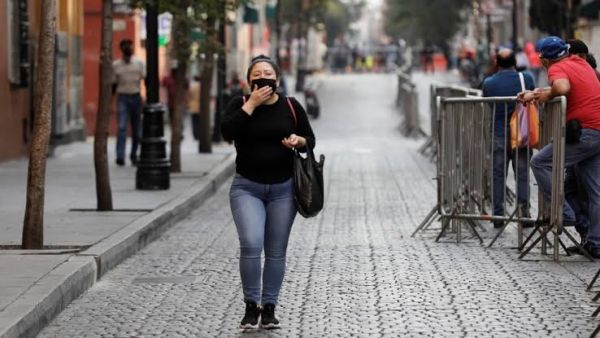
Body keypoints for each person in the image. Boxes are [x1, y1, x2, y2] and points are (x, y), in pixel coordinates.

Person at [221, 55, 316, 330]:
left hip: (283, 189)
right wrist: (251, 104)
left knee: (276, 251)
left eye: (268, 74)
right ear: (249, 81)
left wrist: (299, 141)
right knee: (251, 243)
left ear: (277, 79)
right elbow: (227, 132)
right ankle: (251, 307)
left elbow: (309, 139)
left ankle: (269, 307)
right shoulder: (239, 104)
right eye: (257, 75)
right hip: (246, 187)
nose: (263, 78)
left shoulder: (290, 105)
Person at [519, 36, 600, 257]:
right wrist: (537, 94)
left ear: (544, 59)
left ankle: (564, 213)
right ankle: (596, 243)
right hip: (597, 130)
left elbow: (562, 87)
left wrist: (546, 93)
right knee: (595, 191)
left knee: (540, 162)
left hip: (585, 132)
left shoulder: (557, 68)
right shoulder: (580, 63)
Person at [482, 48, 536, 228]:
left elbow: (488, 103)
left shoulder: (489, 83)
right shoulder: (526, 79)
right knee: (522, 174)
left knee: (498, 175)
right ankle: (524, 214)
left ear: (496, 63)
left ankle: (498, 216)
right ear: (515, 62)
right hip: (521, 133)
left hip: (498, 134)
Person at [112, 39, 145, 166]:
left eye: (130, 46)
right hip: (123, 98)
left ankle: (134, 155)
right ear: (121, 49)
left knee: (137, 130)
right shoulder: (116, 65)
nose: (128, 48)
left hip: (136, 97)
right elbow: (113, 86)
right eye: (125, 46)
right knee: (121, 128)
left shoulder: (139, 63)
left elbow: (145, 80)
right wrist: (111, 103)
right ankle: (120, 155)